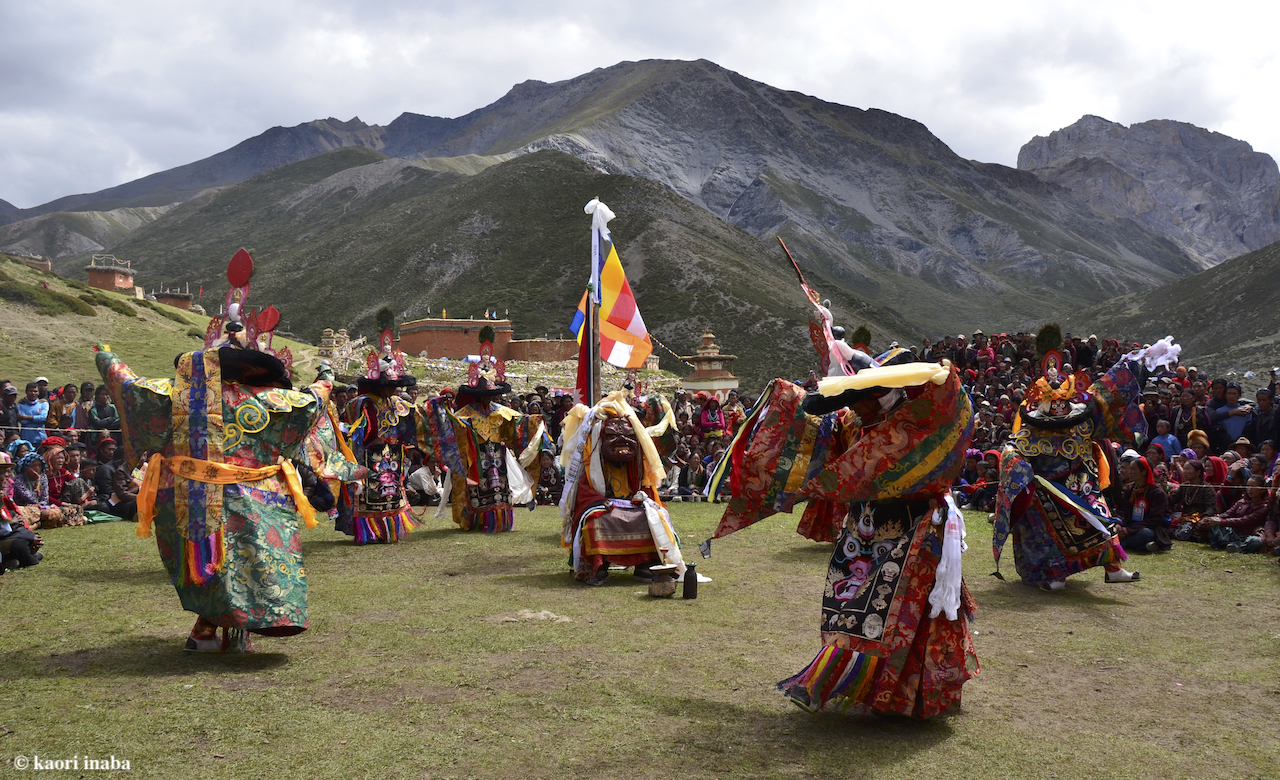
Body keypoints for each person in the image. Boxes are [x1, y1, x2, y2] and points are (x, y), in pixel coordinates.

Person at [708, 348, 978, 719]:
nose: (869, 402)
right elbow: (823, 434)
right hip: (866, 530)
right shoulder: (856, 422)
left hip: (915, 529)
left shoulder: (925, 414)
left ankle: (912, 696)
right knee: (856, 609)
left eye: (874, 393)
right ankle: (879, 690)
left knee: (910, 613)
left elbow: (950, 399)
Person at [95, 249, 332, 653]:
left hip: (185, 496)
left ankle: (205, 630)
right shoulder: (273, 402)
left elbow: (131, 389)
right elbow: (313, 400)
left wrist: (108, 359)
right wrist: (326, 375)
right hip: (256, 497)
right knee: (245, 564)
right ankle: (232, 634)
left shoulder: (177, 396)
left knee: (211, 564)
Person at [992, 327, 1155, 590]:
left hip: (1081, 484)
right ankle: (1054, 575)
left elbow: (1105, 395)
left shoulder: (1081, 423)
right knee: (1046, 531)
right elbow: (1012, 449)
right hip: (1046, 491)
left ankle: (1113, 567)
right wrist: (1016, 465)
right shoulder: (1031, 431)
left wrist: (1129, 364)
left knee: (1100, 518)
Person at [425, 326, 549, 533]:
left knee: (498, 488)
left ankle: (498, 519)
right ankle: (476, 521)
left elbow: (519, 425)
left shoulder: (502, 411)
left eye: (491, 395)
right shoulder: (465, 413)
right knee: (477, 489)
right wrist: (441, 410)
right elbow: (450, 429)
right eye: (485, 394)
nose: (489, 398)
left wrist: (535, 422)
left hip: (498, 456)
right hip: (475, 458)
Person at [559, 391, 684, 584]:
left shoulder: (636, 464)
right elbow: (584, 493)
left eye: (628, 435)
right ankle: (599, 568)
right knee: (595, 522)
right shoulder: (594, 463)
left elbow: (647, 489)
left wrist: (644, 500)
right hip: (604, 507)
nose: (622, 440)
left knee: (654, 517)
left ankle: (645, 566)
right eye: (612, 436)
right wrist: (600, 503)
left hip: (632, 507)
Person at [341, 311, 423, 544]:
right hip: (368, 457)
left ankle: (390, 529)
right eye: (388, 386)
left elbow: (415, 420)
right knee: (370, 494)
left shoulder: (398, 403)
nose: (391, 390)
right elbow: (355, 431)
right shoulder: (361, 403)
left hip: (393, 457)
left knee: (389, 493)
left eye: (394, 386)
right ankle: (369, 531)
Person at [1199, 475, 1270, 552]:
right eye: (1248, 486)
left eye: (1253, 486)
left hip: (1249, 535)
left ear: (1262, 489)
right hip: (1233, 533)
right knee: (1213, 521)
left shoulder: (1264, 507)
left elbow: (1245, 521)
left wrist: (1221, 522)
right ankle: (1222, 544)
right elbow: (1227, 514)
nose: (1250, 489)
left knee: (1257, 542)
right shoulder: (1241, 502)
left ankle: (1238, 547)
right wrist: (1210, 519)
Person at [1115, 455, 1171, 552]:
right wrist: (1119, 524)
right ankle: (1144, 547)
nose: (1129, 472)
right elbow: (1123, 510)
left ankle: (1120, 545)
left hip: (1151, 528)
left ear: (1144, 472)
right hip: (1130, 525)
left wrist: (1129, 530)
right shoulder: (1130, 489)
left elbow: (1155, 520)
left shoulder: (1157, 493)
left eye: (1133, 469)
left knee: (1146, 534)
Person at [0, 452, 44, 573]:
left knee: (28, 540)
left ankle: (14, 560)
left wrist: (30, 536)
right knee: (19, 545)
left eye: (6, 472)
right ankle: (29, 559)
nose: (5, 477)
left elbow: (14, 520)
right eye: (1, 472)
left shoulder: (3, 497)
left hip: (6, 535)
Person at [16, 382, 49, 446]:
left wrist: (25, 417)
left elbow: (43, 418)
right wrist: (36, 418)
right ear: (26, 392)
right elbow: (23, 421)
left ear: (38, 392)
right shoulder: (21, 405)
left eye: (35, 391)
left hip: (40, 438)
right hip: (26, 438)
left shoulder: (43, 404)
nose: (33, 393)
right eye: (30, 391)